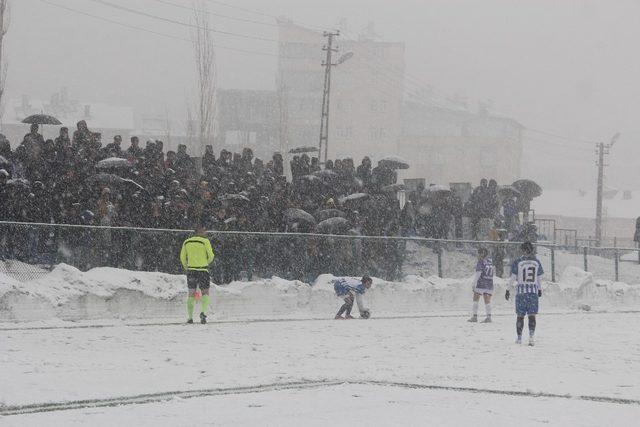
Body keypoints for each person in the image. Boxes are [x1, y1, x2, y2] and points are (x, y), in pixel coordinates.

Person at [505, 241, 543, 346]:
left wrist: (508, 289)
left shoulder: (518, 262)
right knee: (532, 316)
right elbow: (539, 278)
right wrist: (539, 289)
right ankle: (531, 337)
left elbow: (513, 277)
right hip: (533, 293)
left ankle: (519, 338)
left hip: (521, 293)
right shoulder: (536, 262)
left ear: (523, 250)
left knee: (520, 316)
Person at [179, 224, 215, 324]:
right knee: (205, 292)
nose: (206, 233)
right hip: (203, 269)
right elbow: (211, 256)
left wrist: (187, 267)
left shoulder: (187, 241)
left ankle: (190, 317)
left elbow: (182, 257)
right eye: (204, 231)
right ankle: (203, 312)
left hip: (191, 270)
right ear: (200, 232)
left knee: (191, 293)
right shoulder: (205, 241)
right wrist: (205, 262)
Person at [468, 247, 494, 323]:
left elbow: (478, 273)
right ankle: (489, 317)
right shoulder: (490, 261)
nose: (478, 255)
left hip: (481, 283)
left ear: (482, 254)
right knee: (487, 300)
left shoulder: (481, 261)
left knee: (475, 298)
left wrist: (474, 283)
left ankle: (474, 317)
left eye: (479, 253)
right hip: (489, 283)